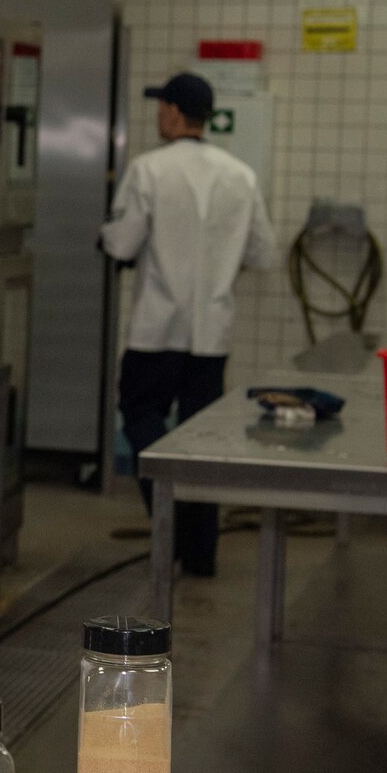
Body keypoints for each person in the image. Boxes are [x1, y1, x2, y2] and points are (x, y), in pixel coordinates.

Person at [101, 72, 278, 576]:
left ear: (175, 113)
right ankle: (200, 554)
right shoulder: (241, 176)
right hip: (211, 335)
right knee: (200, 442)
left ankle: (168, 515)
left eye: (163, 107)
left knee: (139, 416)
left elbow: (123, 243)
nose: (160, 115)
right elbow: (264, 252)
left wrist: (107, 235)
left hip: (156, 331)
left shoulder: (149, 170)